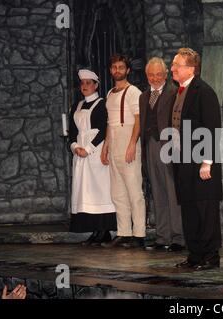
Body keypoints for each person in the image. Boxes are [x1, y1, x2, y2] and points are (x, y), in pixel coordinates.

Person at [170, 48, 223, 271]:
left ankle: (210, 256)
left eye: (176, 65)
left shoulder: (204, 92)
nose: (172, 68)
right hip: (183, 160)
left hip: (201, 162)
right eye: (173, 64)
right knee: (189, 209)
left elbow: (212, 129)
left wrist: (207, 161)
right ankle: (195, 255)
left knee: (205, 209)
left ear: (190, 68)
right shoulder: (179, 92)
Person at [101, 54, 146, 249]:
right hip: (114, 144)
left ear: (128, 70)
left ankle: (139, 235)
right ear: (111, 70)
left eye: (121, 67)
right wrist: (105, 147)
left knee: (134, 191)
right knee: (117, 193)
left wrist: (132, 144)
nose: (117, 70)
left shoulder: (133, 91)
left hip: (128, 144)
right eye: (114, 67)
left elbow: (138, 120)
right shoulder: (110, 94)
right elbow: (110, 124)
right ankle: (124, 232)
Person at [140, 57, 185, 252]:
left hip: (168, 146)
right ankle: (162, 236)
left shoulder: (174, 93)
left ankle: (178, 237)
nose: (155, 78)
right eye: (151, 75)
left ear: (166, 75)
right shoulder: (143, 96)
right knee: (157, 191)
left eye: (159, 74)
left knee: (173, 191)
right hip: (150, 145)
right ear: (147, 76)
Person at [68, 69, 116, 245]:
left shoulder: (102, 104)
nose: (85, 86)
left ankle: (104, 230)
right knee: (86, 192)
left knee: (100, 191)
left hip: (96, 152)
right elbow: (72, 132)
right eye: (82, 83)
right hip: (80, 154)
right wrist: (75, 147)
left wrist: (88, 148)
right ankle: (95, 231)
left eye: (89, 83)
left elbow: (104, 129)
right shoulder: (77, 106)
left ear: (96, 85)